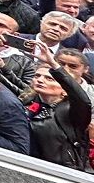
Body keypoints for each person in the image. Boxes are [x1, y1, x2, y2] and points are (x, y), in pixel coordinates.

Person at [26, 42, 92, 171]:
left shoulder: (71, 111)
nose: (40, 80)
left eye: (49, 79)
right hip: (28, 163)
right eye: (37, 76)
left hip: (61, 170)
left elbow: (83, 100)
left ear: (65, 90)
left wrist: (54, 64)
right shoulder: (32, 101)